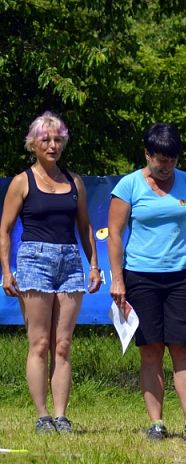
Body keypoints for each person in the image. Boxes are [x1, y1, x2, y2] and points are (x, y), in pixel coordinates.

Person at [107, 123, 186, 444]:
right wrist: (117, 279)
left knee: (182, 350)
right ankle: (157, 423)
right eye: (160, 159)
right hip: (140, 277)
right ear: (147, 154)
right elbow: (114, 234)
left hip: (182, 277)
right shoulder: (128, 185)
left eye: (171, 160)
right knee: (150, 351)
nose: (166, 166)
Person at [0, 111, 101, 433]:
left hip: (70, 262)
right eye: (46, 140)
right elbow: (4, 230)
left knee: (63, 343)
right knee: (40, 342)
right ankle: (42, 416)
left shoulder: (74, 182)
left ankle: (61, 415)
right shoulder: (21, 182)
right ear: (33, 144)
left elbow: (85, 227)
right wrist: (6, 270)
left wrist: (94, 265)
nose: (53, 145)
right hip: (33, 261)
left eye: (58, 139)